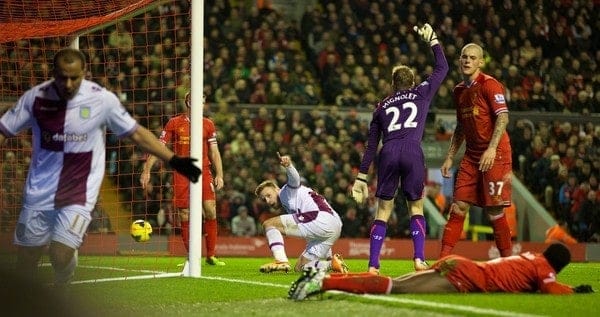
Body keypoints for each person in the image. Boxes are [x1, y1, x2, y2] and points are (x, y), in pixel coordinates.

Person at [0, 48, 200, 287]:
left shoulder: (101, 99)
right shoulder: (35, 98)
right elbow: (3, 129)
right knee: (26, 263)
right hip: (38, 192)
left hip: (78, 193)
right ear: (54, 73)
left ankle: (65, 273)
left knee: (59, 255)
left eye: (75, 77)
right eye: (63, 76)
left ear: (84, 73)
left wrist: (174, 160)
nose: (69, 83)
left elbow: (136, 133)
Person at [351, 23, 448, 273]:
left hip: (389, 151)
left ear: (393, 85)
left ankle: (373, 264)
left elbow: (371, 145)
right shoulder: (421, 93)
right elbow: (442, 68)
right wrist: (433, 41)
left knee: (384, 209)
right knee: (415, 206)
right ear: (412, 81)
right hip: (413, 150)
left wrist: (361, 176)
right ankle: (418, 259)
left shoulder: (381, 107)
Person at [288, 243, 594, 300]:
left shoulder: (532, 257)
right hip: (464, 277)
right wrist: (575, 291)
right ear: (559, 265)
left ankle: (323, 279)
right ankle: (323, 281)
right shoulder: (543, 268)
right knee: (395, 287)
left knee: (395, 283)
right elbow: (550, 287)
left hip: (462, 267)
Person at [438, 43, 513, 258]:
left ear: (480, 62)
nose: (467, 60)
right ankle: (442, 261)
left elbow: (503, 117)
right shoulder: (459, 91)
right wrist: (450, 156)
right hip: (471, 155)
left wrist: (491, 148)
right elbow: (461, 126)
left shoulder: (490, 85)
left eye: (472, 57)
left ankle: (508, 262)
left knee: (494, 210)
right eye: (464, 57)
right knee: (458, 206)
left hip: (496, 154)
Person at [141, 92, 225, 266]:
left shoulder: (208, 124)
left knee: (210, 210)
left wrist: (220, 174)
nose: (201, 104)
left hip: (204, 171)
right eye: (197, 101)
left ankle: (211, 255)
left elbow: (214, 152)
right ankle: (191, 257)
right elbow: (158, 147)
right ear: (188, 102)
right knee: (184, 214)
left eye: (203, 101)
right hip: (182, 173)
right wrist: (147, 170)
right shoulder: (174, 123)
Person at [254, 152, 348, 273]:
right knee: (301, 267)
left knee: (269, 224)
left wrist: (289, 167)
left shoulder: (285, 192)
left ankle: (281, 261)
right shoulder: (295, 202)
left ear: (276, 189)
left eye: (268, 195)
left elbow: (295, 180)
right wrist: (329, 255)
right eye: (264, 199)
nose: (267, 201)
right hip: (333, 225)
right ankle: (332, 264)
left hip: (319, 218)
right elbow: (317, 232)